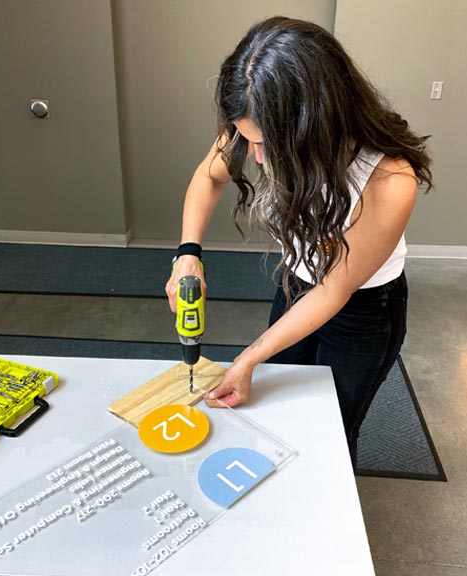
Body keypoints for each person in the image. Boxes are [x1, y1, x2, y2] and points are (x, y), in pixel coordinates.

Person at [164, 16, 432, 466]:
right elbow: (207, 180)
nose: (257, 158)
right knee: (276, 407)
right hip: (296, 287)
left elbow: (334, 289)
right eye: (248, 141)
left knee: (331, 428)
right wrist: (187, 254)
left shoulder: (389, 178)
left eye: (267, 143)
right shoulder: (255, 121)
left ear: (315, 121)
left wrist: (248, 357)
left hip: (365, 310)